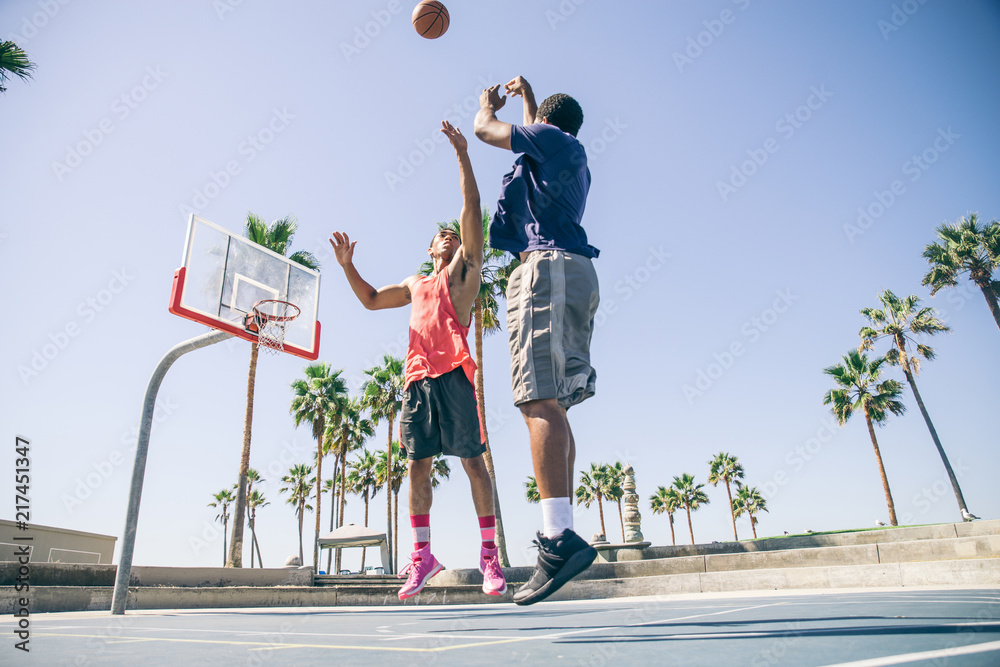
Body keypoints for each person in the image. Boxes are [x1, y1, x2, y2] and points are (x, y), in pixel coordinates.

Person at [329, 120, 506, 601]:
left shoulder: (465, 273)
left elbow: (471, 210)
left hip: (453, 377)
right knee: (416, 468)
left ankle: (489, 556)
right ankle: (423, 556)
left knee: (473, 465)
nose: (449, 237)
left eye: (454, 235)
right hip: (416, 383)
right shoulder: (414, 284)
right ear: (430, 248)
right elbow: (367, 299)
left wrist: (462, 155)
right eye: (441, 236)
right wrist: (348, 266)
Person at [474, 76, 600, 605]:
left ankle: (556, 538)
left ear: (544, 124)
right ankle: (559, 528)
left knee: (535, 398)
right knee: (554, 402)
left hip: (544, 270)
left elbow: (486, 130)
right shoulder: (568, 151)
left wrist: (486, 106)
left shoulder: (550, 140)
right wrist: (530, 99)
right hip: (573, 272)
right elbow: (534, 129)